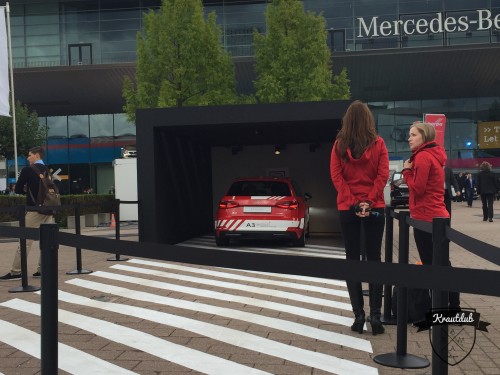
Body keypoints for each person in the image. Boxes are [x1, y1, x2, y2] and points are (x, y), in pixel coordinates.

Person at [330, 100, 389, 335]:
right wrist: (369, 201)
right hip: (374, 208)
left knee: (352, 260)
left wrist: (353, 202)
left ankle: (358, 316)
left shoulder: (338, 146)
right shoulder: (379, 144)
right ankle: (376, 316)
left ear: (347, 120)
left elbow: (336, 177)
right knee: (374, 259)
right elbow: (382, 175)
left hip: (347, 208)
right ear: (368, 120)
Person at [402, 122, 460, 309]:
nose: (409, 138)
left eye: (413, 135)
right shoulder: (433, 155)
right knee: (442, 263)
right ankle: (451, 304)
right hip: (436, 215)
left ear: (424, 137)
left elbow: (418, 189)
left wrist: (406, 171)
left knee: (432, 265)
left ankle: (441, 306)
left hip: (426, 218)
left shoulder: (423, 157)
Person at [0, 146, 55, 281]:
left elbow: (18, 189)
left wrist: (27, 190)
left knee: (25, 241)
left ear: (37, 156)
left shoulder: (27, 170)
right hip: (48, 209)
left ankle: (16, 272)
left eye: (30, 155)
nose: (28, 157)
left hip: (34, 210)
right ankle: (43, 270)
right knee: (46, 241)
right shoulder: (48, 170)